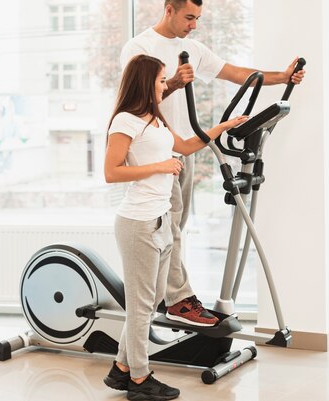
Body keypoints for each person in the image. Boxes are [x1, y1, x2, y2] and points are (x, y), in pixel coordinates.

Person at [120, 0, 306, 327]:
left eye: (198, 19)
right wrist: (174, 82)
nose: (194, 25)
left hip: (183, 146)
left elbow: (236, 74)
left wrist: (283, 76)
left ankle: (161, 296)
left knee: (177, 226)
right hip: (153, 149)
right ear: (170, 11)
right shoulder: (140, 47)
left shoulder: (191, 48)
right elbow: (135, 99)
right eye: (189, 17)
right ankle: (178, 299)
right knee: (169, 227)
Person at [102, 54, 248, 400]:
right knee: (140, 307)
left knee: (150, 304)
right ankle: (139, 379)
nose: (163, 85)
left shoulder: (154, 118)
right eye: (159, 80)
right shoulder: (125, 121)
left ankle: (121, 368)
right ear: (143, 81)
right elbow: (111, 172)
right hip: (137, 223)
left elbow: (184, 146)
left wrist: (220, 129)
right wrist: (159, 167)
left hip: (161, 220)